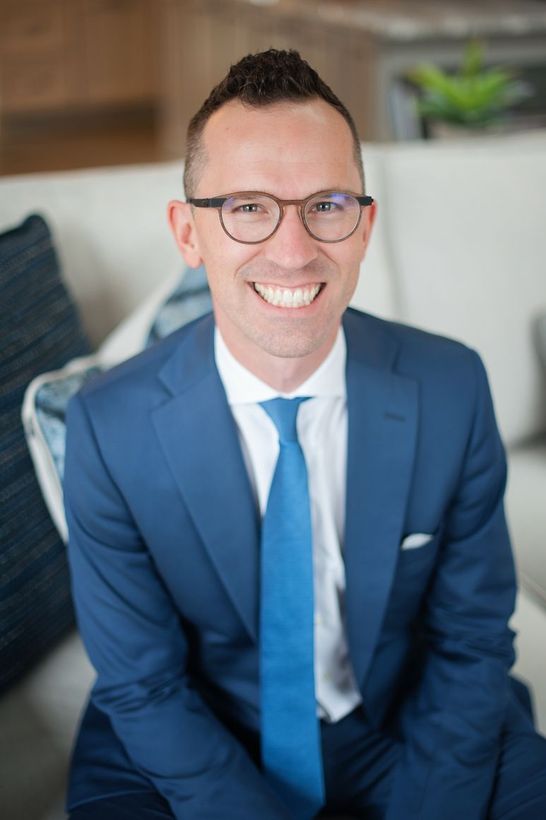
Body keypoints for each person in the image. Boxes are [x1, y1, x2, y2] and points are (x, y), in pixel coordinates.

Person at [63, 49, 546, 819]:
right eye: (248, 207)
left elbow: (473, 638)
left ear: (364, 227)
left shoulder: (452, 387)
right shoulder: (106, 425)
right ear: (189, 234)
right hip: (190, 742)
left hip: (404, 723)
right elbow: (143, 685)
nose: (293, 250)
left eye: (326, 204)